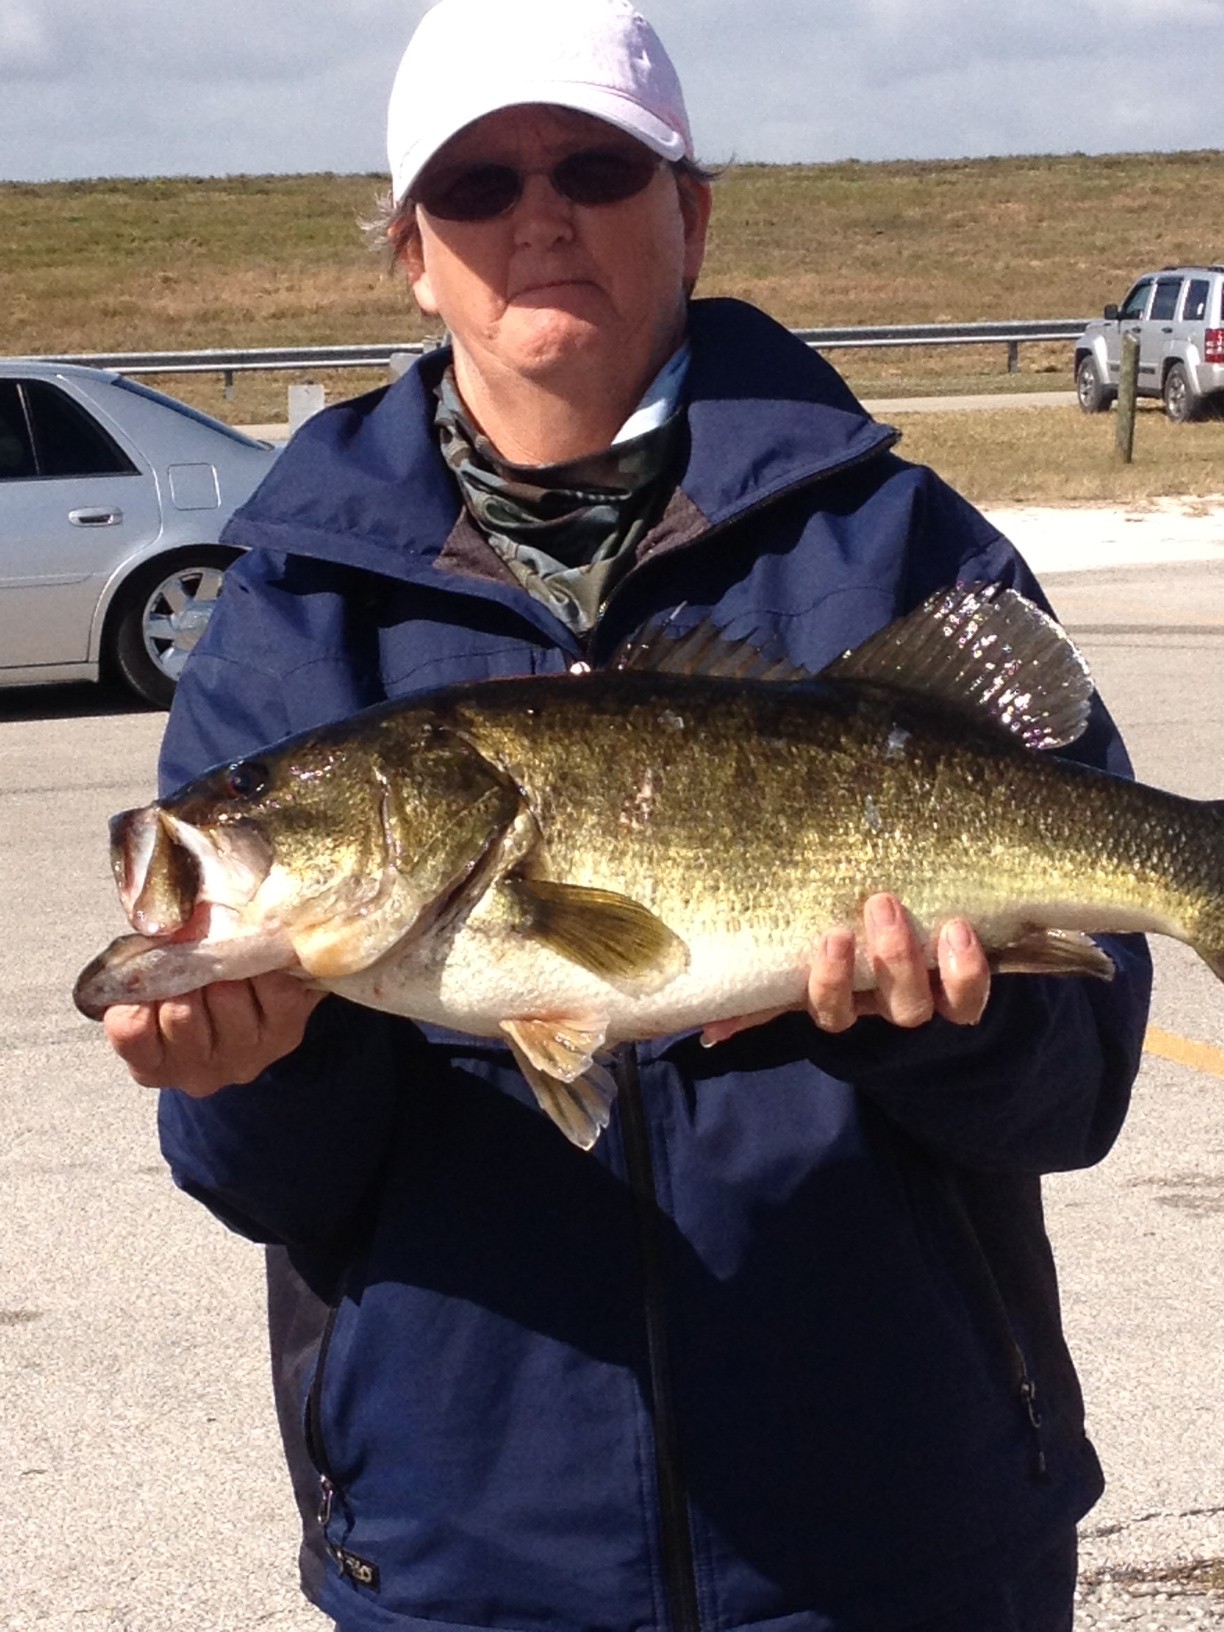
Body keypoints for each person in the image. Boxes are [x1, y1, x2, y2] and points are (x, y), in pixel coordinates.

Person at [101, 2, 1152, 1628]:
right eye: (473, 185)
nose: (539, 214)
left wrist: (934, 1026)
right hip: (475, 1564)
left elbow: (1071, 1099)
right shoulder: (292, 622)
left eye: (595, 165)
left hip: (905, 1535)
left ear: (691, 210)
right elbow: (268, 1185)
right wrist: (255, 1068)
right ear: (410, 252)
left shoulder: (898, 548)